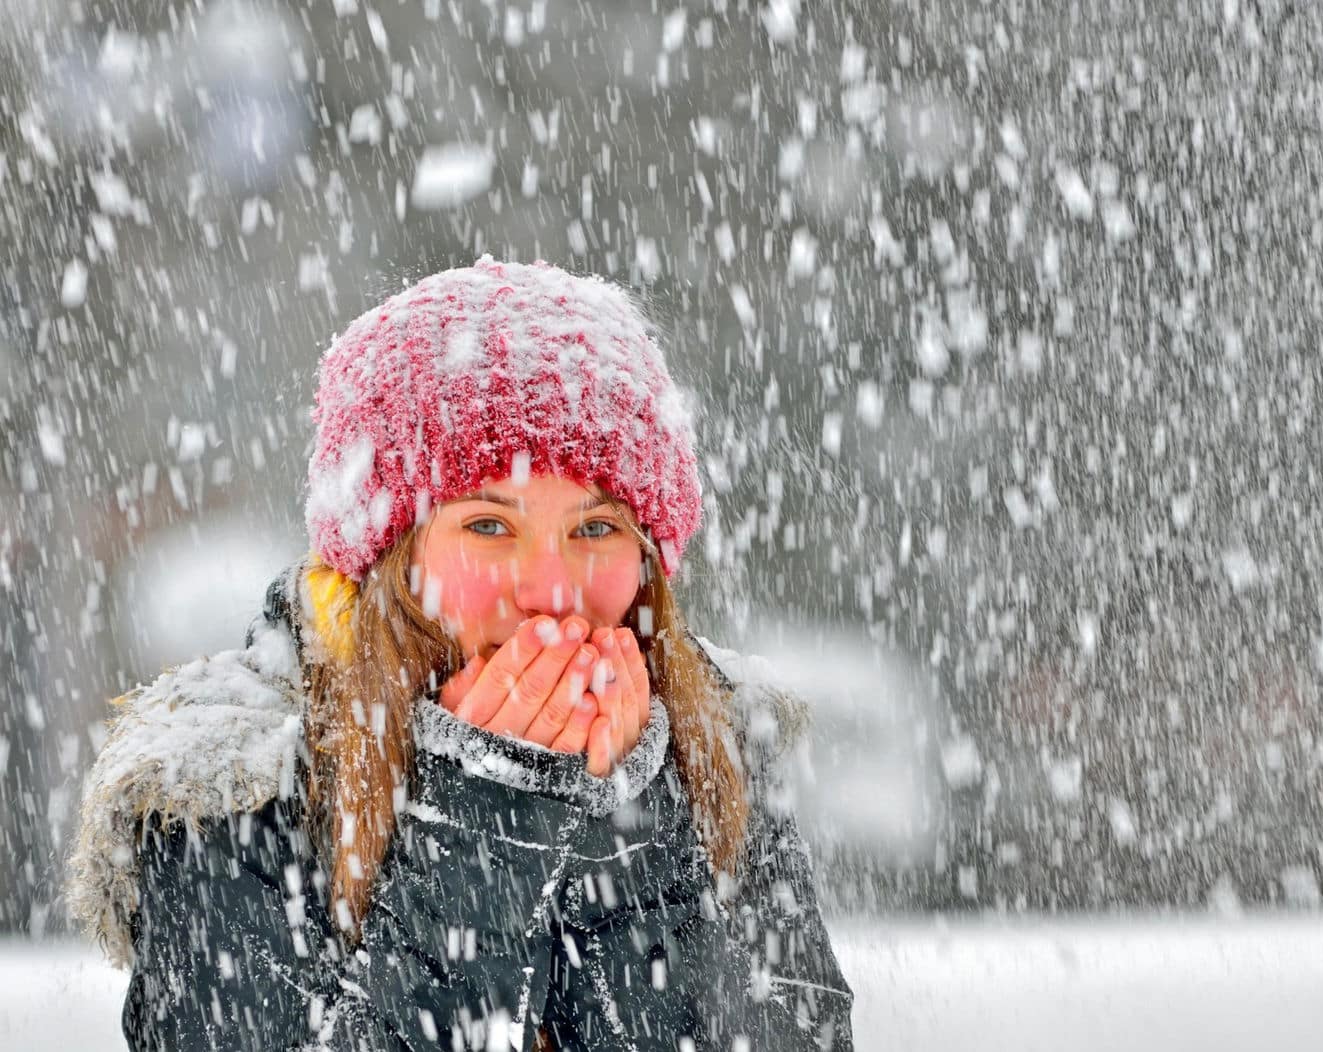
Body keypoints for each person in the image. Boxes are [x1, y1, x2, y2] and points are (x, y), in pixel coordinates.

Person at [66, 256, 855, 1051]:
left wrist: (628, 827)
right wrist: (484, 823)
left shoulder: (710, 747)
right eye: (487, 525)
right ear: (387, 560)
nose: (552, 591)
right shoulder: (233, 793)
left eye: (595, 528)